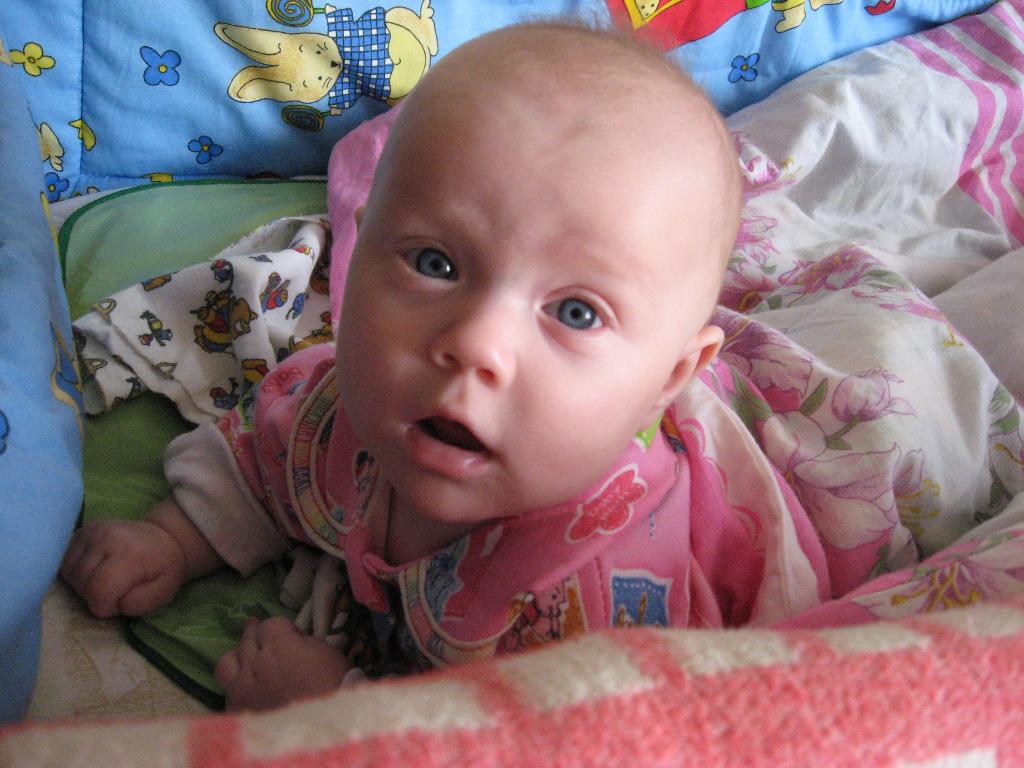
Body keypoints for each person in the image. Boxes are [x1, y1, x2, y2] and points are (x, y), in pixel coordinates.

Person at [60, 22, 744, 711]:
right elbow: (266, 461)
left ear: (667, 381)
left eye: (576, 313)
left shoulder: (598, 620)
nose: (476, 343)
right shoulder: (342, 412)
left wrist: (335, 710)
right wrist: (172, 538)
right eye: (435, 263)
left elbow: (526, 748)